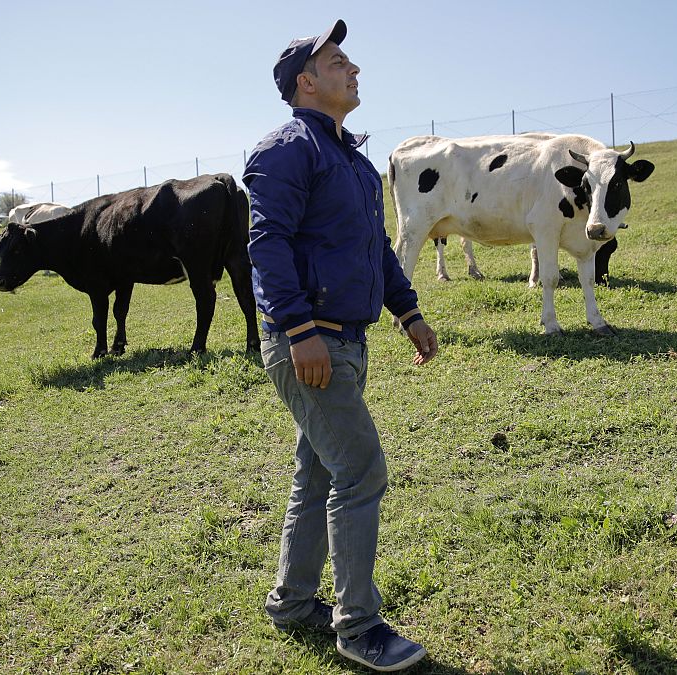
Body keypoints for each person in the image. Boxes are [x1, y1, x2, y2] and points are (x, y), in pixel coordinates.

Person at [244, 19, 438, 673]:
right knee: (361, 470)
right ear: (306, 80)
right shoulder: (285, 149)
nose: (354, 70)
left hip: (348, 341)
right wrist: (298, 330)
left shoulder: (352, 161)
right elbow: (265, 245)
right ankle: (358, 627)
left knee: (320, 472)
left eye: (351, 61)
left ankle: (293, 602)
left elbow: (375, 250)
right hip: (311, 342)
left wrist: (408, 312)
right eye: (339, 62)